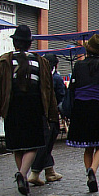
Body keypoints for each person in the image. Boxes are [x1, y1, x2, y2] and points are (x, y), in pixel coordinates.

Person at [0, 25, 58, 196]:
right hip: (34, 106)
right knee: (34, 144)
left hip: (12, 107)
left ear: (15, 43)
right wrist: (51, 111)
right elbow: (48, 89)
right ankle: (22, 175)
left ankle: (22, 176)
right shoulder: (40, 62)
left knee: (17, 145)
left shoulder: (4, 61)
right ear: (29, 44)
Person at [65, 34, 99, 193]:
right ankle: (93, 170)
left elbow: (72, 88)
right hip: (96, 107)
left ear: (87, 50)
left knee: (88, 146)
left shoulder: (78, 66)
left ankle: (89, 174)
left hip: (80, 107)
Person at [27, 54, 65, 186]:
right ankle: (35, 172)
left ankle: (50, 171)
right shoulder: (56, 78)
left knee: (46, 144)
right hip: (49, 115)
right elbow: (61, 97)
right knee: (45, 144)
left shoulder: (38, 76)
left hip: (40, 114)